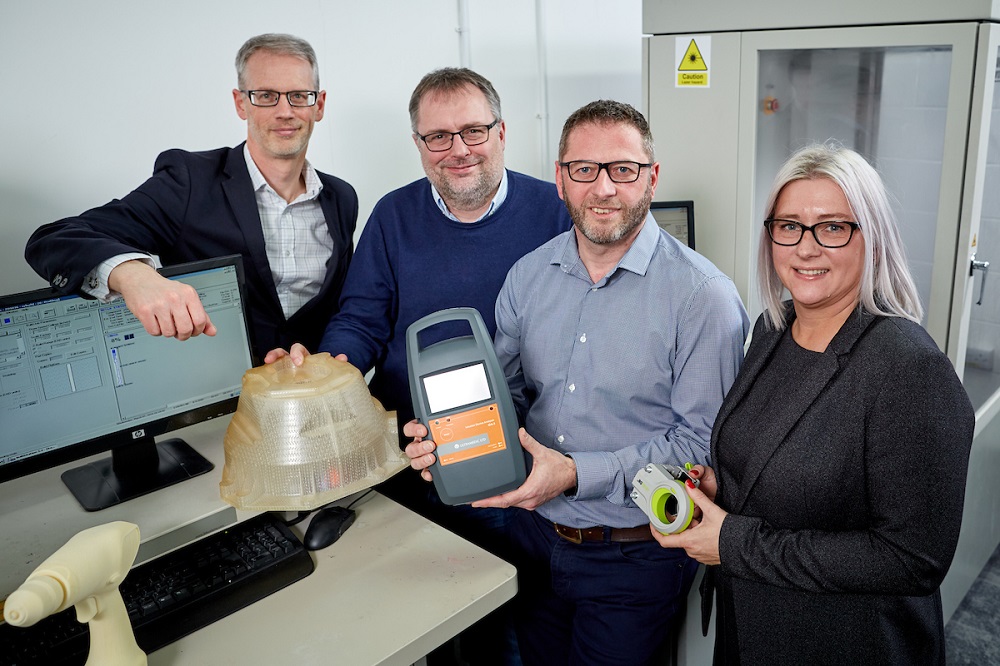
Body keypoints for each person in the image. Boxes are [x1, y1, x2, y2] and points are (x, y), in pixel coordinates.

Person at [405, 100, 749, 665]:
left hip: (636, 560)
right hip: (536, 540)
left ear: (651, 178)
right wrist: (453, 434)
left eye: (623, 169)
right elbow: (508, 394)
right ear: (561, 179)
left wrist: (573, 475)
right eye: (585, 170)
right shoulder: (528, 276)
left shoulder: (701, 297)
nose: (604, 188)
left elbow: (701, 445)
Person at [267, 67, 571, 666]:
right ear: (419, 145)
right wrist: (326, 370)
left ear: (502, 132)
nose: (457, 150)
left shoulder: (553, 212)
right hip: (422, 465)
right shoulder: (393, 216)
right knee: (439, 631)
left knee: (517, 629)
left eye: (473, 131)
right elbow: (361, 320)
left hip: (526, 465)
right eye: (438, 136)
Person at [652, 143, 975, 665]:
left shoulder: (908, 369)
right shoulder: (773, 329)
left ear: (872, 239)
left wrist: (735, 544)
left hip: (846, 644)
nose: (806, 248)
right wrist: (723, 486)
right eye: (789, 226)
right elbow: (778, 465)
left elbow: (912, 558)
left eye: (832, 227)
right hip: (752, 626)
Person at [24, 33, 357, 361]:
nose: (285, 111)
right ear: (241, 103)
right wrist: (134, 275)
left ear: (320, 105)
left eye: (299, 96)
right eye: (266, 95)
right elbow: (54, 238)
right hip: (216, 398)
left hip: (311, 394)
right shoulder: (189, 182)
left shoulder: (341, 198)